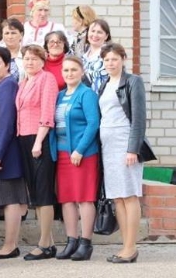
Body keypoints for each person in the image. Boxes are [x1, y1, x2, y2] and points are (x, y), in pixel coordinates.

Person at [98, 43, 155, 264]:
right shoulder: (104, 84)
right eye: (106, 60)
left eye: (114, 59)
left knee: (129, 195)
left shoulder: (133, 81)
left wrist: (132, 149)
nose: (110, 63)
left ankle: (131, 249)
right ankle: (125, 246)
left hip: (125, 143)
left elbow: (139, 118)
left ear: (123, 59)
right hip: (108, 146)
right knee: (117, 197)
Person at [52, 56, 100, 261]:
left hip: (82, 154)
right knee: (67, 199)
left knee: (84, 198)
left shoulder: (86, 94)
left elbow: (93, 123)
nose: (69, 74)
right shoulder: (60, 95)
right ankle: (71, 241)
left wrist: (80, 150)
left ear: (82, 72)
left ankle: (85, 243)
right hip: (62, 154)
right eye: (66, 70)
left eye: (73, 70)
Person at [16, 44, 59, 260]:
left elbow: (47, 112)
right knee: (35, 193)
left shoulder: (47, 79)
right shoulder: (24, 81)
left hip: (39, 138)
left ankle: (43, 244)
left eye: (34, 58)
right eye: (26, 58)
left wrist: (39, 141)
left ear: (43, 61)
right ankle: (48, 243)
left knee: (43, 192)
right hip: (24, 138)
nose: (30, 62)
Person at [0, 46, 28, 260]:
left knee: (11, 200)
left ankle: (11, 246)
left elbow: (6, 121)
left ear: (7, 65)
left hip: (7, 152)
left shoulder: (8, 85)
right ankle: (9, 244)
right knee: (4, 199)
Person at [82, 19, 111, 93]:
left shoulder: (109, 55)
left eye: (99, 32)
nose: (95, 35)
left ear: (106, 36)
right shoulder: (83, 58)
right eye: (93, 31)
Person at [0, 18, 25, 82]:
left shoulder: (27, 54)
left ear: (21, 35)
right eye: (7, 33)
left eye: (13, 33)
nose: (10, 37)